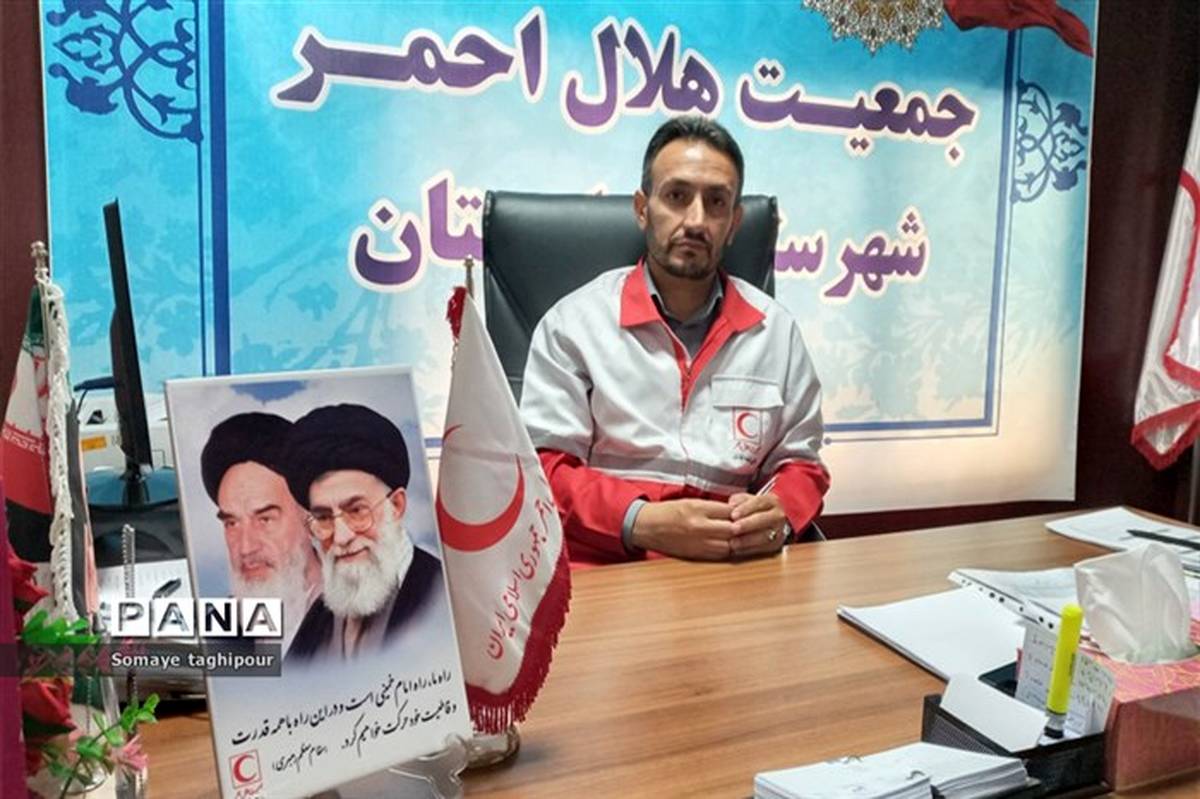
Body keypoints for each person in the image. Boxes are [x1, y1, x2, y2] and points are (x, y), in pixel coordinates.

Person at [520, 115, 829, 567]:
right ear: (642, 209)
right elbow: (544, 469)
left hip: (734, 571)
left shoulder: (775, 333)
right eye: (677, 197)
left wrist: (780, 516)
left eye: (716, 202)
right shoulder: (575, 325)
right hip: (609, 568)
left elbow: (802, 465)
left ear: (734, 223)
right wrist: (640, 521)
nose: (696, 220)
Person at [282, 403, 444, 661]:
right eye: (324, 518)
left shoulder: (441, 595)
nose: (341, 537)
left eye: (356, 511)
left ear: (396, 506)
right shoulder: (317, 619)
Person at [200, 412, 322, 653]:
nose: (246, 547)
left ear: (311, 518)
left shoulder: (365, 622)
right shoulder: (219, 629)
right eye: (232, 523)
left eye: (265, 520)